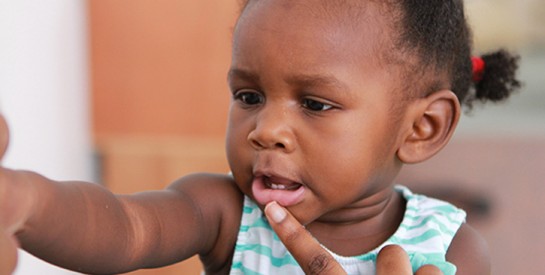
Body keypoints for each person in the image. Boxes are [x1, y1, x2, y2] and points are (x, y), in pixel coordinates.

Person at [0, 0, 521, 274]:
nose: (265, 131)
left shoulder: (449, 251)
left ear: (420, 128)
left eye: (315, 104)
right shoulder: (226, 212)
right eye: (248, 96)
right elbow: (125, 229)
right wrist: (26, 201)